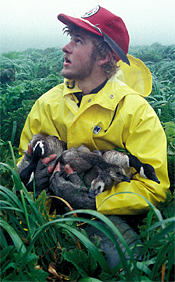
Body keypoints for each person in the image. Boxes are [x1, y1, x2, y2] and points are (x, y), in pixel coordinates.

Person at [17, 6, 170, 267]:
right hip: (45, 209)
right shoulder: (47, 103)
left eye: (78, 41)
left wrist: (95, 200)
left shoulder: (136, 112)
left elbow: (154, 187)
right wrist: (30, 175)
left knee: (128, 264)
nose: (66, 47)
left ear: (103, 56)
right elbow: (24, 160)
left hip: (104, 216)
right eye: (70, 38)